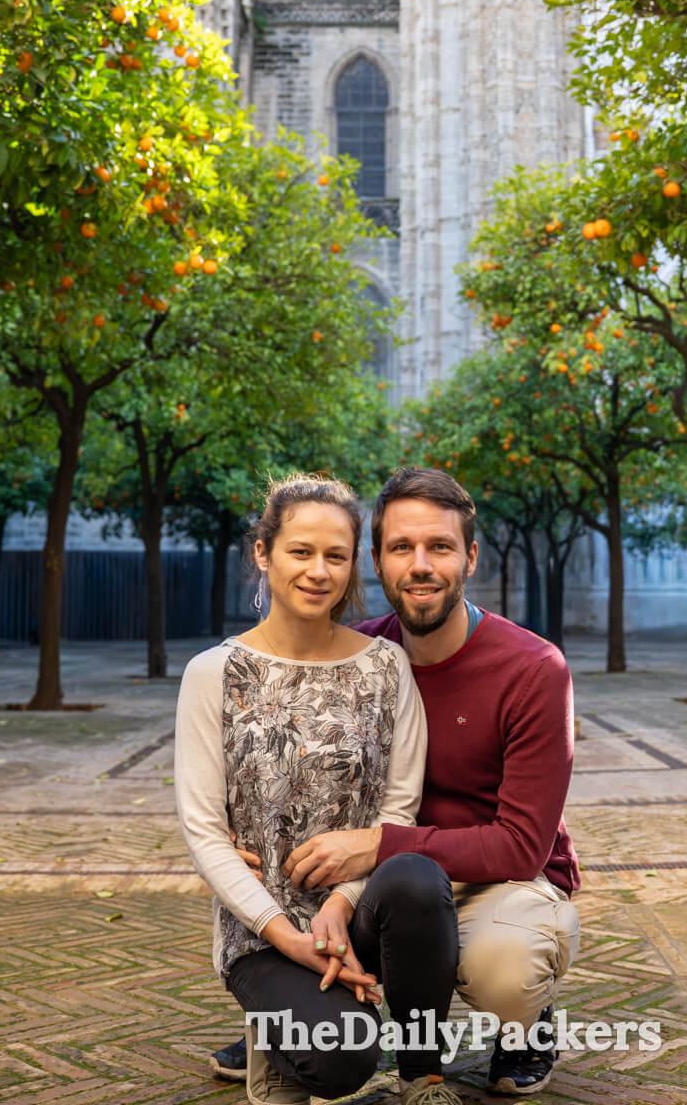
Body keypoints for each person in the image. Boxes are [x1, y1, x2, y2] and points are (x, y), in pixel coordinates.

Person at [209, 467, 582, 1095]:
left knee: (505, 973)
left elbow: (520, 844)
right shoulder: (357, 656)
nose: (421, 565)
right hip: (381, 886)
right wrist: (233, 837)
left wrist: (382, 845)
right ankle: (301, 1018)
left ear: (470, 556)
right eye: (400, 548)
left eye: (439, 546)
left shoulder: (534, 668)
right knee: (394, 893)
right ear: (375, 561)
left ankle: (525, 1022)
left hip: (500, 879)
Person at [176, 474, 464, 1105]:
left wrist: (342, 900)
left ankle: (425, 1077)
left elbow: (397, 809)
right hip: (263, 929)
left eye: (335, 556)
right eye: (300, 552)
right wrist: (288, 936)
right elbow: (202, 830)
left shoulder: (385, 666)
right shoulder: (213, 674)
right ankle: (275, 1032)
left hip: (356, 912)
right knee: (339, 1063)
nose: (318, 572)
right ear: (263, 553)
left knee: (417, 874)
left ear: (353, 561)